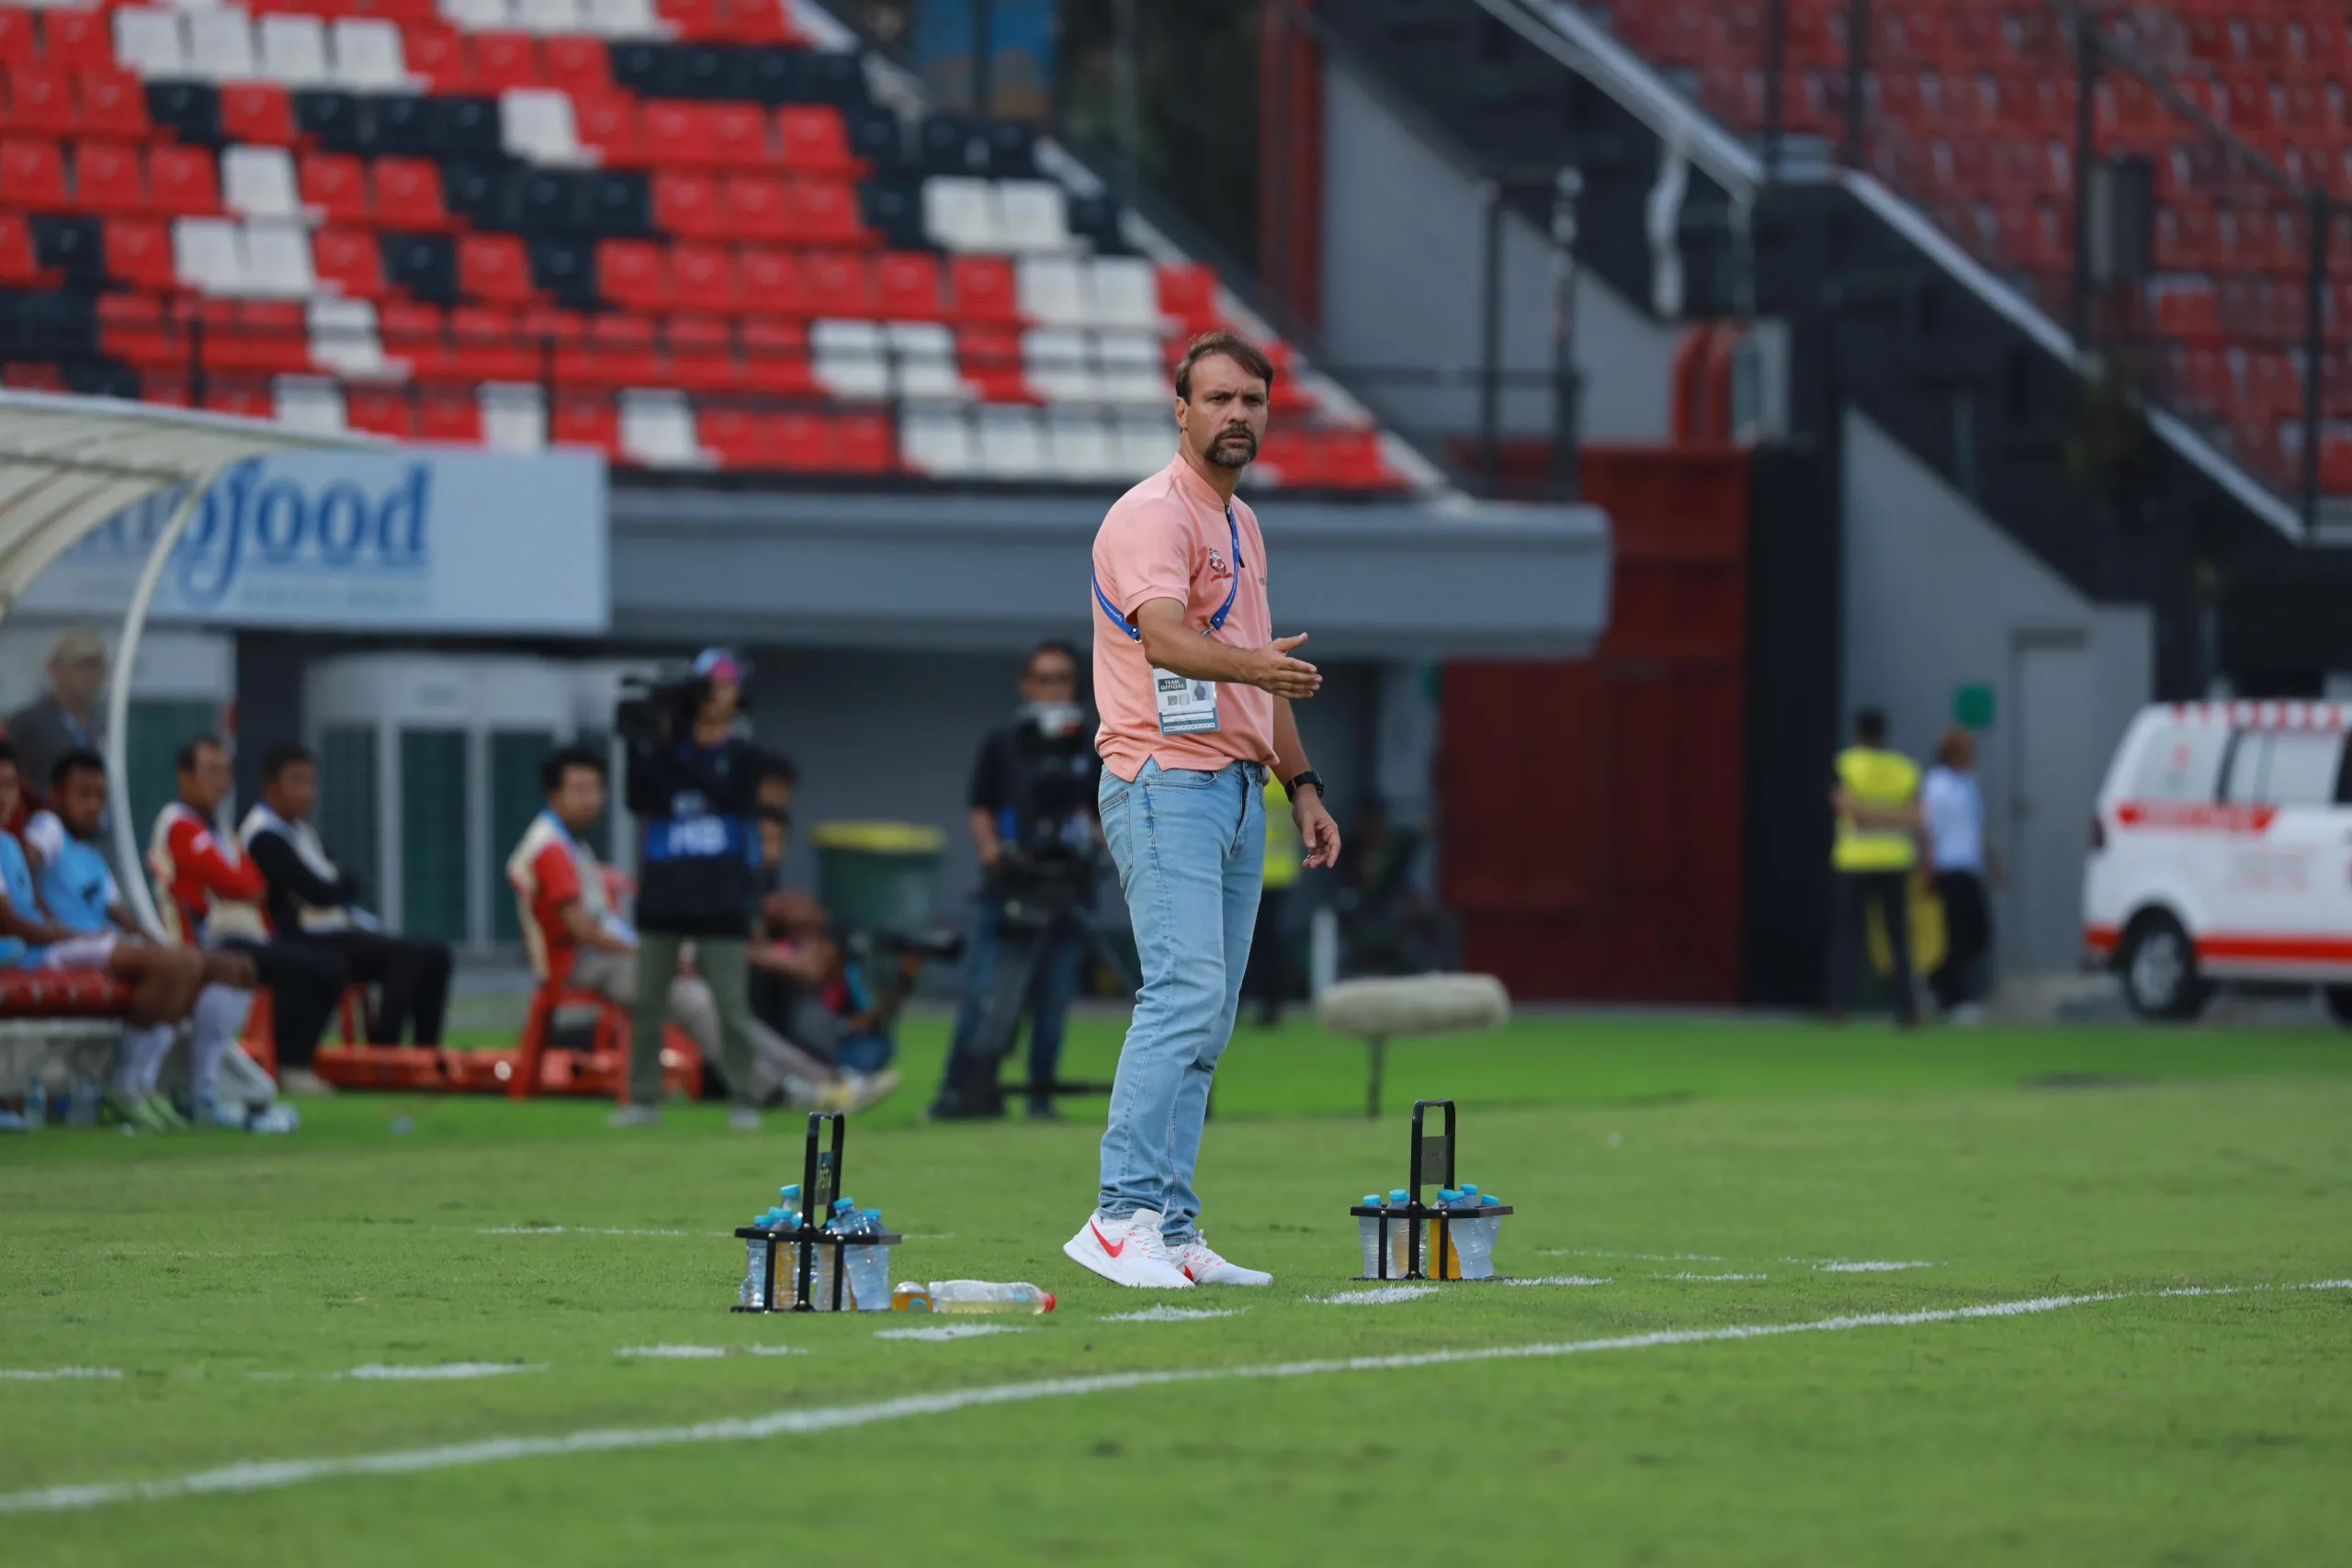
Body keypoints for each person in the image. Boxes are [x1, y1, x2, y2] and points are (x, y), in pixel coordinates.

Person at [1064, 331, 1340, 1291]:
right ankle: (1116, 1218)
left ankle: (1173, 1232)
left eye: (1252, 402)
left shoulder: (1241, 524)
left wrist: (1299, 785)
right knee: (1181, 997)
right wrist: (1258, 668)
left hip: (1230, 787)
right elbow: (1168, 640)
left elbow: (1263, 679)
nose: (1237, 416)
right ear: (1179, 410)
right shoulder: (1151, 513)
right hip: (1160, 777)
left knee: (1208, 1019)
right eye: (1217, 399)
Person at [509, 746, 888, 1113]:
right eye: (579, 791)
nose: (591, 799)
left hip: (608, 953)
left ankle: (827, 1079)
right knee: (695, 1000)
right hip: (579, 963)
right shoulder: (551, 848)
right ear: (553, 794)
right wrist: (653, 956)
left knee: (722, 995)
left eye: (595, 789)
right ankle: (777, 1090)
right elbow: (584, 930)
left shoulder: (570, 844)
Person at [13, 748, 258, 1129]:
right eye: (83, 795)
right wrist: (42, 913)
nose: (94, 806)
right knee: (179, 964)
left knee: (234, 968)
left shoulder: (91, 857)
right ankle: (127, 1086)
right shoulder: (48, 827)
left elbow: (122, 916)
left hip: (98, 945)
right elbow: (26, 862)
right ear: (57, 796)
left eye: (100, 796)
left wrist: (158, 945)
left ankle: (200, 1091)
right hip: (59, 948)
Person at [930, 638, 1097, 1122]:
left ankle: (1040, 1096)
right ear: (1025, 683)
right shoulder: (1003, 742)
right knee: (987, 993)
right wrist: (992, 851)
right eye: (1043, 678)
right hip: (1011, 886)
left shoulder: (1091, 741)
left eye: (1062, 678)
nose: (1052, 689)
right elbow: (980, 805)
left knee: (1054, 999)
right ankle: (960, 1091)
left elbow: (1100, 809)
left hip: (1069, 885)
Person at [612, 649, 767, 1130]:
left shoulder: (744, 754)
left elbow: (732, 798)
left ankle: (745, 1096)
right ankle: (642, 1099)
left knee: (731, 1003)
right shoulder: (663, 748)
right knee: (648, 1001)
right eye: (708, 687)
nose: (718, 697)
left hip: (720, 895)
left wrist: (673, 747)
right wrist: (647, 741)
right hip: (663, 891)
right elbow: (638, 799)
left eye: (726, 687)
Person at [149, 735, 350, 1098]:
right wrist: (237, 884)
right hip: (199, 940)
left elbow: (255, 885)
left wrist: (238, 884)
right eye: (210, 772)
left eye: (225, 773)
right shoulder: (178, 824)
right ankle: (285, 1066)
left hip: (240, 937)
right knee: (301, 965)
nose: (219, 782)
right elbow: (235, 883)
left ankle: (222, 1081)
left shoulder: (220, 831)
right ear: (185, 777)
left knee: (319, 962)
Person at [241, 745, 453, 1048]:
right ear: (270, 785)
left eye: (311, 782)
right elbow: (319, 891)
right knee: (406, 956)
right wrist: (335, 887)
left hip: (335, 928)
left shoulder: (302, 832)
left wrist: (334, 887)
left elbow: (343, 884)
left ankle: (425, 1051)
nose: (307, 793)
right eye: (297, 782)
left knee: (437, 954)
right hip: (300, 936)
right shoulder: (262, 836)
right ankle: (385, 1050)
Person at [1826, 708, 1924, 1027]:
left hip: (1854, 860)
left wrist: (1869, 818)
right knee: (1898, 938)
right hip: (1895, 859)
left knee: (1847, 936)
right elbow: (1913, 818)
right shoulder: (1905, 770)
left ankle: (1839, 1006)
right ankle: (1905, 1008)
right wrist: (1891, 819)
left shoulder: (1847, 764)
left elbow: (1847, 808)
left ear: (1858, 733)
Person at [1923, 727, 1998, 1021]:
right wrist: (1927, 870)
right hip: (1946, 867)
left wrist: (1992, 863)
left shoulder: (1968, 782)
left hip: (1968, 867)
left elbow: (1975, 827)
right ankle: (1951, 998)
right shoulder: (1936, 784)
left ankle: (1944, 984)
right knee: (1954, 935)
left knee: (1978, 934)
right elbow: (1929, 831)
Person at [5, 628, 107, 810]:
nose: (88, 674)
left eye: (94, 665)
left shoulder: (103, 727)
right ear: (55, 668)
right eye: (81, 664)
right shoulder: (28, 725)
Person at [1241, 772, 1302, 1027]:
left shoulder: (1253, 776)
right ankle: (1273, 1005)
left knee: (1244, 942)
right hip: (1282, 872)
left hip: (1252, 872)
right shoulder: (1287, 779)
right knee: (1271, 943)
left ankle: (1241, 1001)